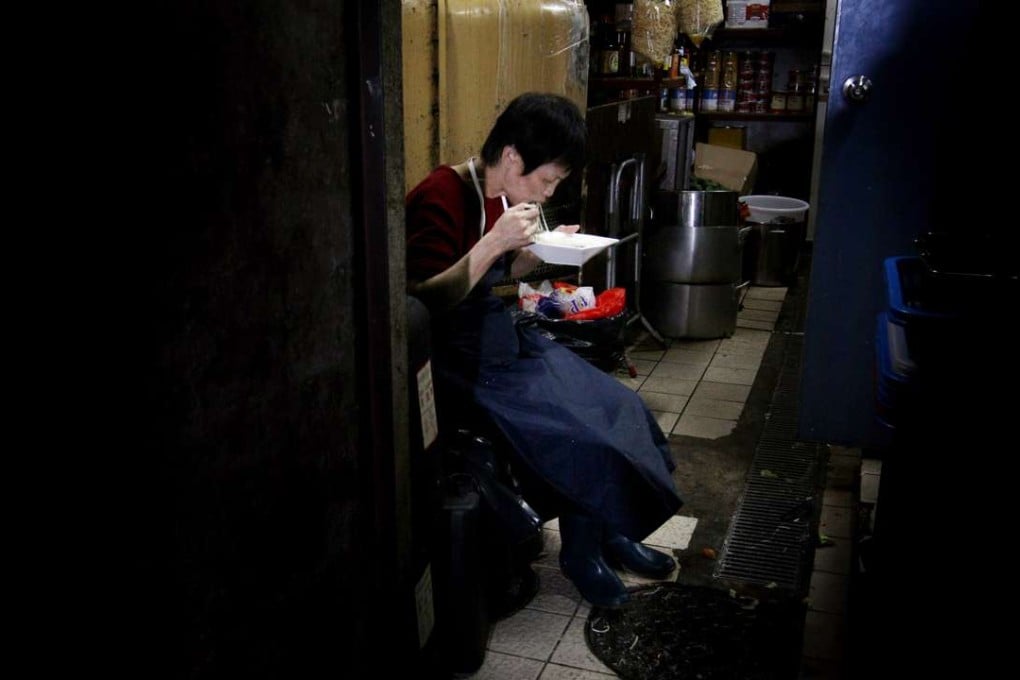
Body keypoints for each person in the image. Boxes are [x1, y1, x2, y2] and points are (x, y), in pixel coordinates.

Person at [405, 92, 683, 608]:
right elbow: (421, 300)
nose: (549, 191)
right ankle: (580, 555)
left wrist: (532, 255)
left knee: (617, 405)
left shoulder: (504, 196)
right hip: (458, 358)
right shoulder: (441, 194)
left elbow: (496, 277)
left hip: (497, 336)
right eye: (547, 179)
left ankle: (613, 529)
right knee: (577, 432)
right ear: (512, 156)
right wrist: (493, 243)